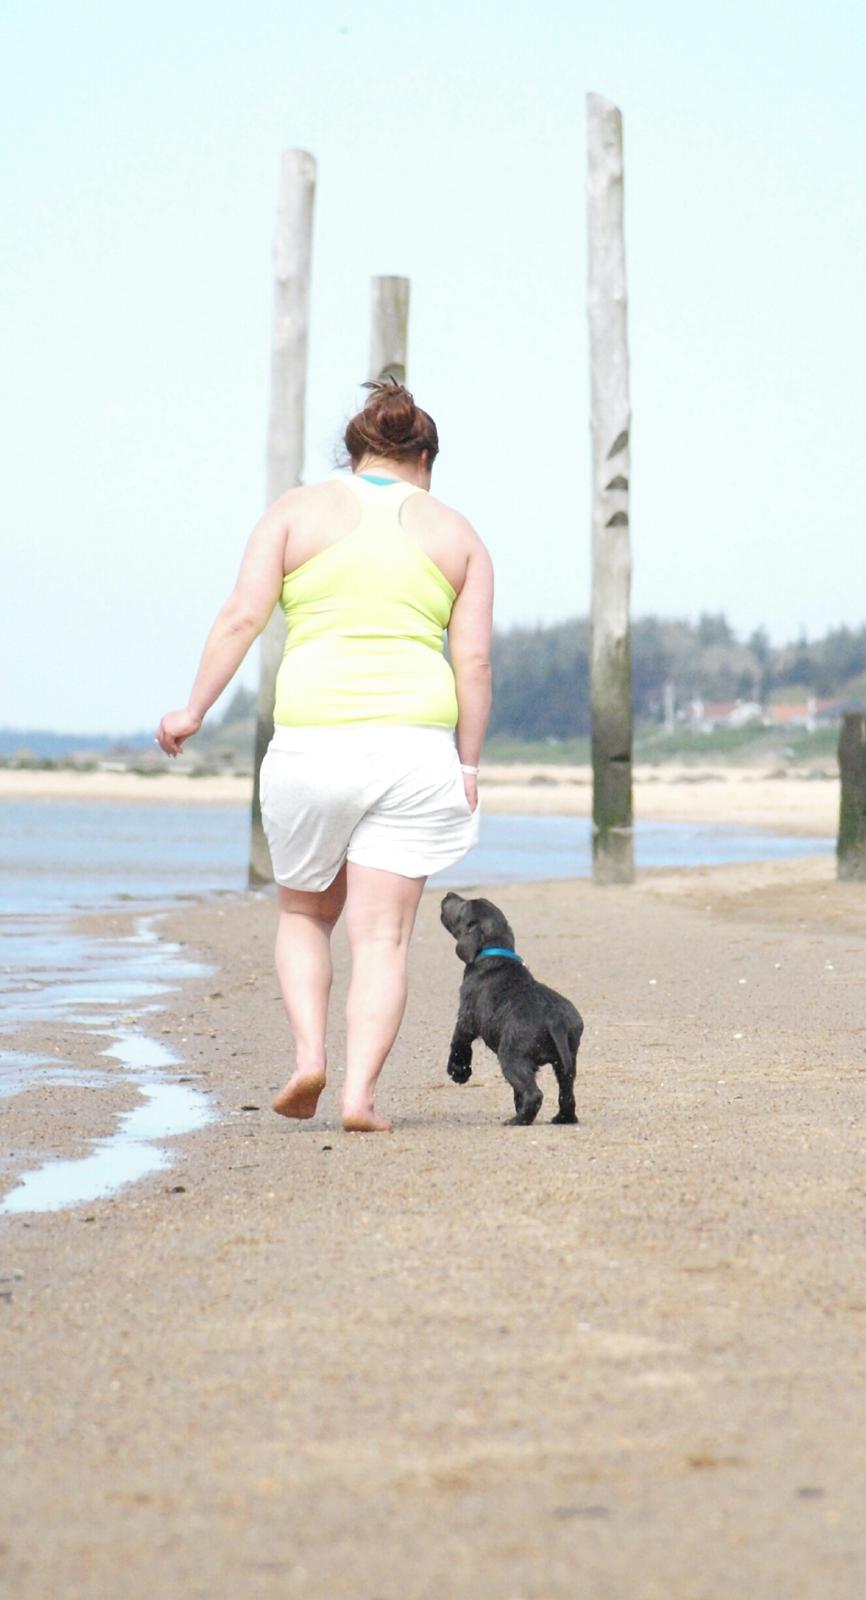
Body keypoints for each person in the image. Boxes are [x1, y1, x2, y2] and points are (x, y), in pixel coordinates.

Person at [156, 381, 493, 1132]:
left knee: (306, 913)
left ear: (354, 453)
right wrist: (468, 763)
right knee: (383, 938)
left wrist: (193, 710)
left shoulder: (293, 512)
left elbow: (242, 617)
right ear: (426, 460)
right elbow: (473, 663)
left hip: (311, 742)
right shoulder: (458, 534)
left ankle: (309, 1056)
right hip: (413, 749)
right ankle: (358, 1097)